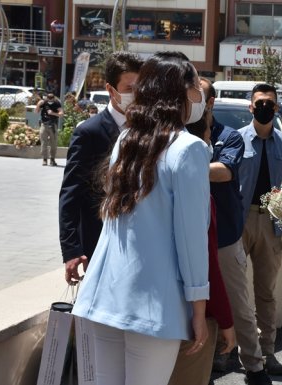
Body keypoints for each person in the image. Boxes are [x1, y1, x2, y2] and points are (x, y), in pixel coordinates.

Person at [71, 51, 211, 385]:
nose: (199, 96)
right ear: (178, 93)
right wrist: (199, 310)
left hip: (104, 298)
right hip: (152, 306)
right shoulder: (187, 148)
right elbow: (191, 239)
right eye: (194, 87)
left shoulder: (127, 139)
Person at [198, 80, 270, 385]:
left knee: (239, 305)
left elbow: (224, 172)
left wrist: (181, 163)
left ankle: (254, 367)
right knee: (196, 306)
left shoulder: (229, 137)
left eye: (198, 96)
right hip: (190, 237)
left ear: (211, 101)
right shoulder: (181, 135)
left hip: (225, 237)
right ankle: (206, 365)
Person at [59, 51, 142, 284]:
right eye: (129, 89)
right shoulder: (89, 132)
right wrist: (71, 250)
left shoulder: (148, 132)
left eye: (141, 88)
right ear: (110, 89)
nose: (136, 96)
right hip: (99, 241)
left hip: (139, 243)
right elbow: (70, 194)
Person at [168, 105, 237, 385]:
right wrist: (226, 321)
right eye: (210, 128)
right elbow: (205, 263)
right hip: (190, 318)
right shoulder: (198, 197)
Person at [237, 83, 282, 383]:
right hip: (239, 223)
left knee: (266, 292)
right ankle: (227, 350)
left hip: (273, 224)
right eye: (259, 102)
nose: (264, 107)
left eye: (270, 104)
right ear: (250, 106)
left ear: (276, 108)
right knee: (233, 290)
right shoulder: (236, 140)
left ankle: (267, 352)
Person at [36, 93, 63, 166]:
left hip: (53, 125)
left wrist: (53, 113)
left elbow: (61, 114)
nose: (50, 100)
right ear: (47, 98)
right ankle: (44, 159)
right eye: (49, 99)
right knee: (43, 143)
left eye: (52, 99)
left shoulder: (56, 103)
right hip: (44, 124)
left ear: (54, 98)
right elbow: (36, 111)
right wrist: (38, 104)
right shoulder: (44, 102)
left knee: (53, 143)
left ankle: (52, 159)